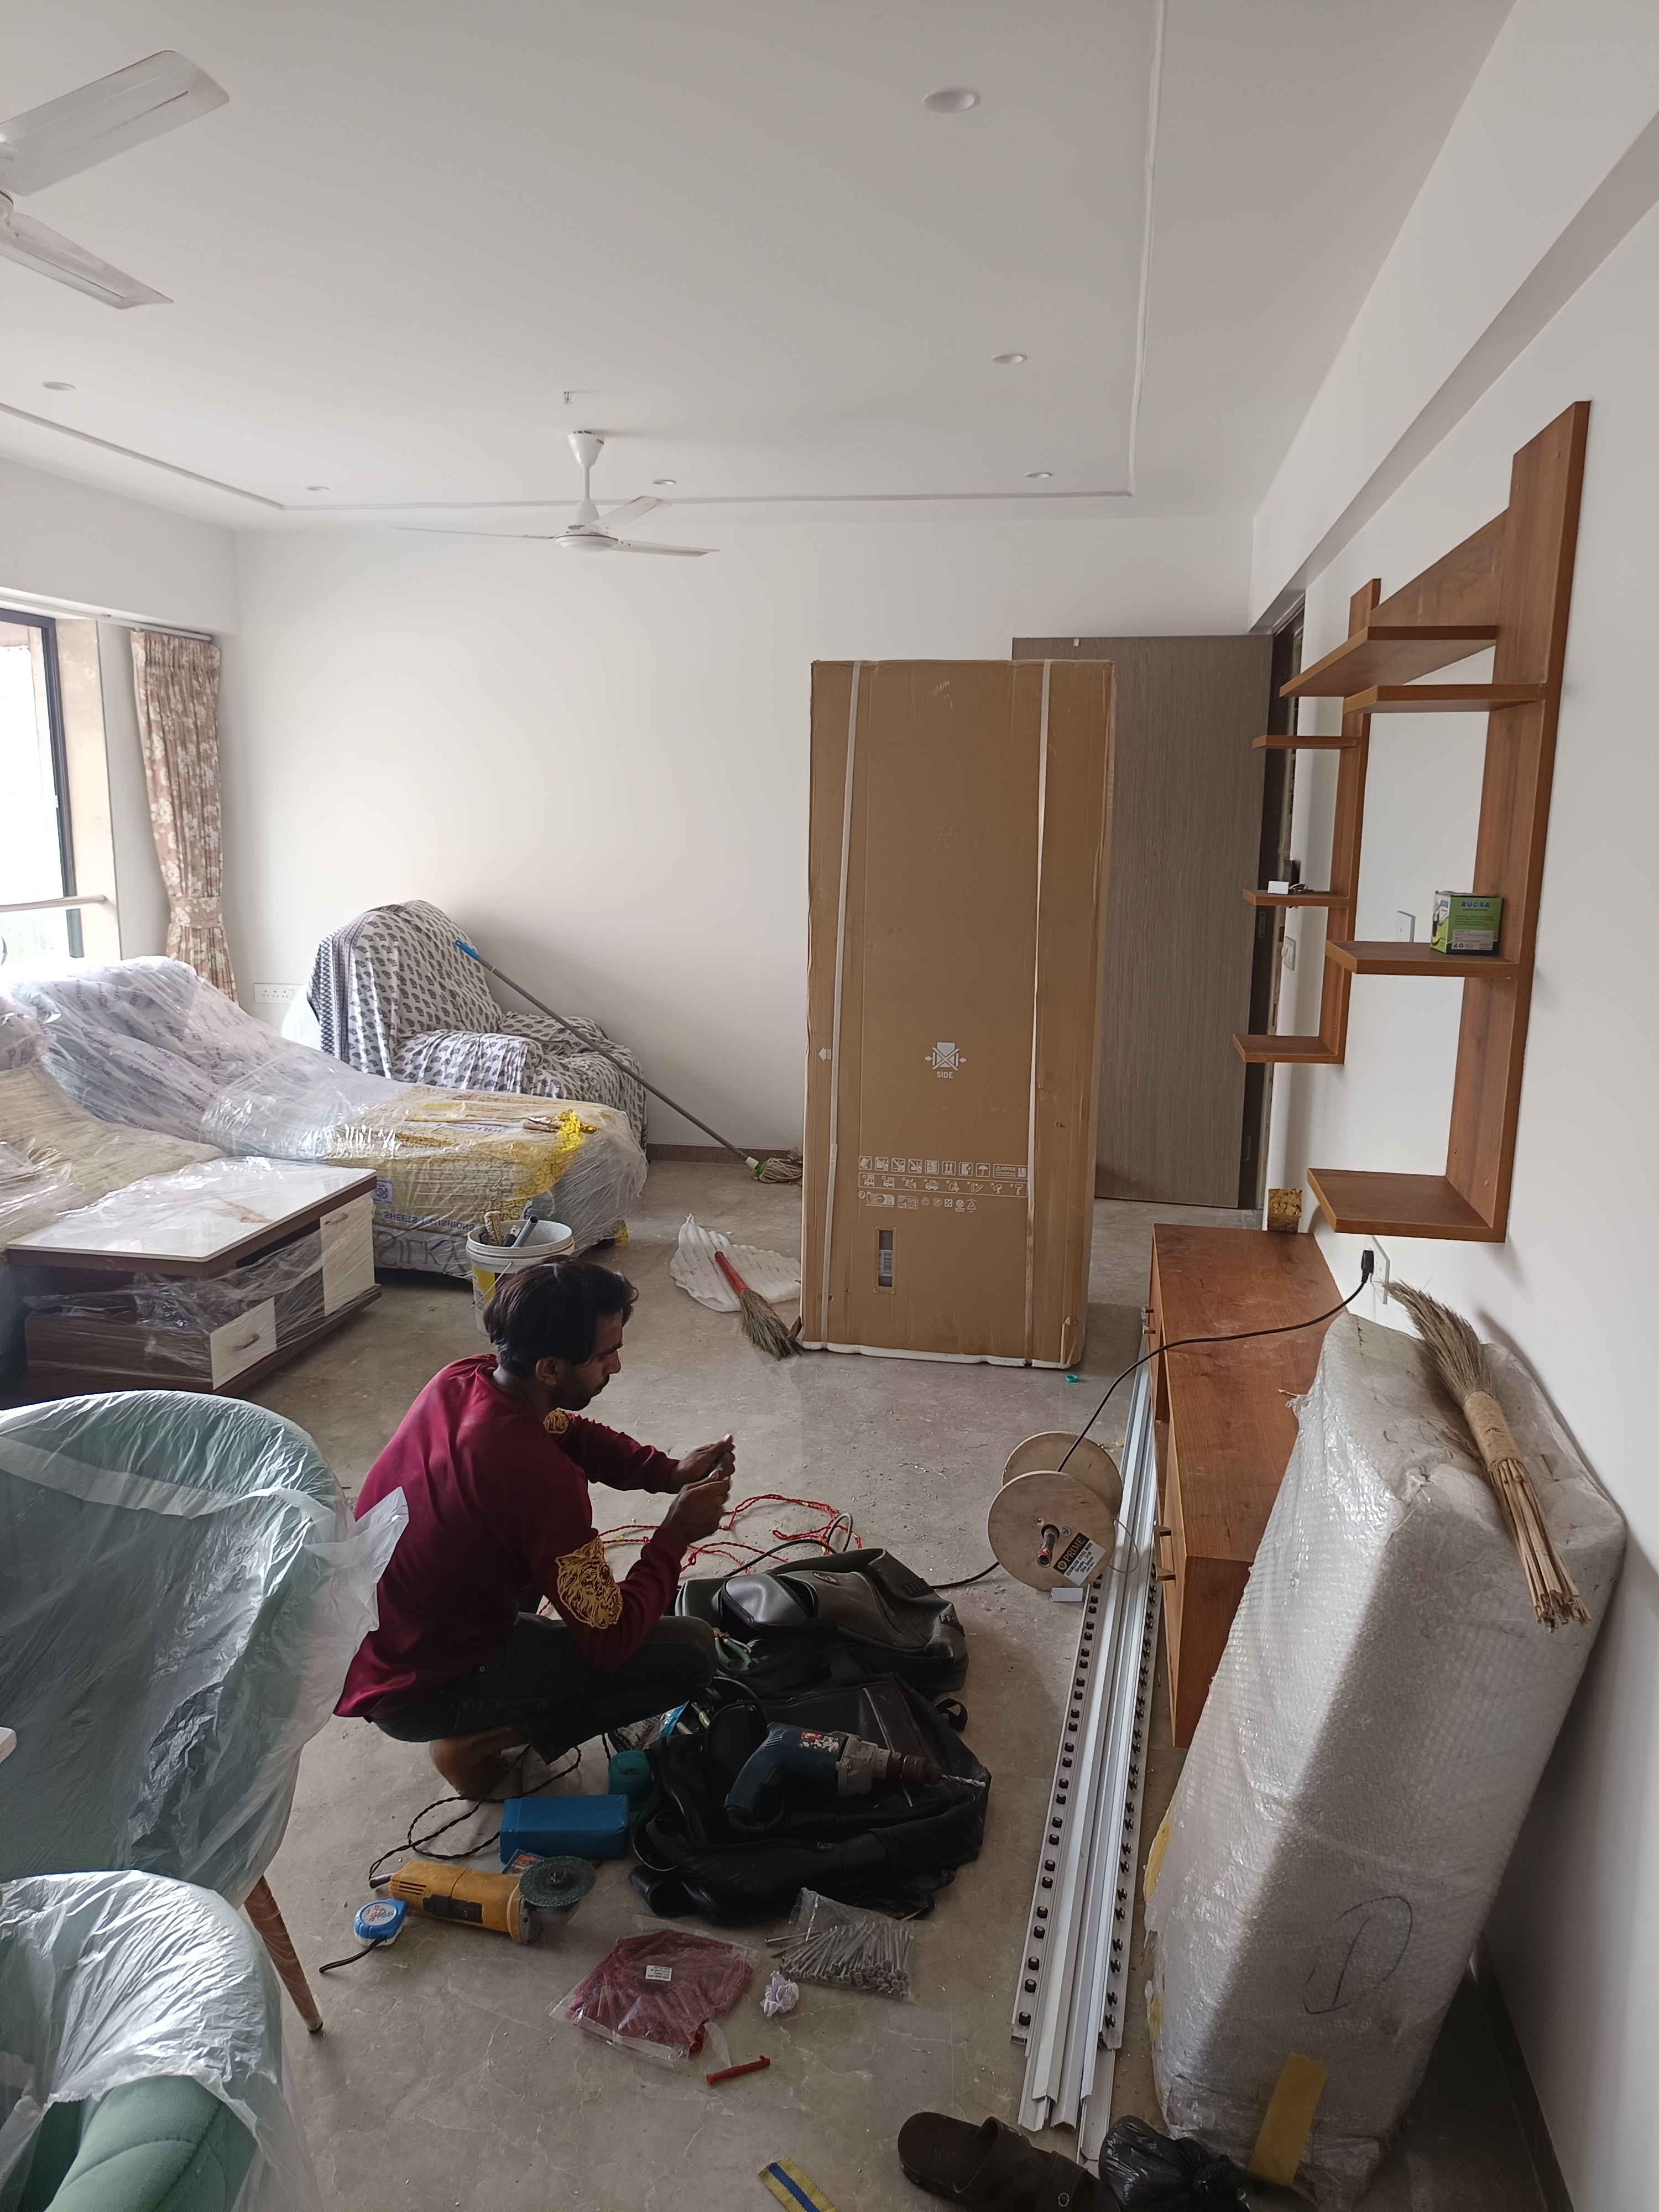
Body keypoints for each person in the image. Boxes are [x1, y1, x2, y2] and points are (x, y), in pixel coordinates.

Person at [337, 1256, 731, 1796]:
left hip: (381, 1639)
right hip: (419, 1688)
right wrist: (675, 1536)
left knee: (545, 1560)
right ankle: (474, 1741)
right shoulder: (540, 1479)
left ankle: (495, 1680)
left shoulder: (466, 1379)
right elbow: (611, 1640)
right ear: (549, 1369)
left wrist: (667, 1472)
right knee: (691, 1652)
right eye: (604, 1355)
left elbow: (569, 1432)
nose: (616, 1366)